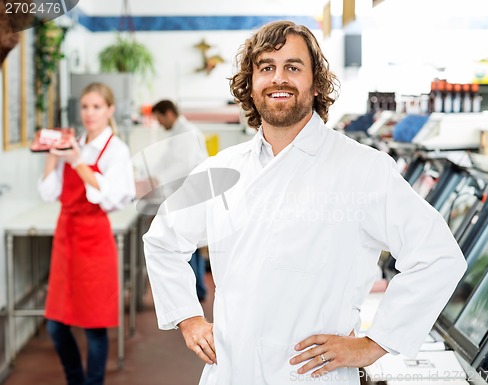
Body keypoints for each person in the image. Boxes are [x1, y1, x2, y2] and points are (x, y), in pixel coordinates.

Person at [143, 21, 467, 385]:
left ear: (315, 84)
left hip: (311, 376)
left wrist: (374, 344)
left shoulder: (363, 169)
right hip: (231, 371)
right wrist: (189, 319)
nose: (278, 78)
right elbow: (162, 240)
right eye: (266, 67)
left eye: (293, 67)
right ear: (251, 85)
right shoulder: (221, 170)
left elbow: (439, 255)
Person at [38, 82, 135, 385]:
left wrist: (78, 162)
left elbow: (111, 197)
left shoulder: (116, 150)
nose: (89, 113)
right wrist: (52, 156)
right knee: (55, 325)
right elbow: (48, 191)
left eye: (96, 107)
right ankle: (75, 380)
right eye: (84, 107)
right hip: (66, 237)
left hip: (94, 241)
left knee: (94, 326)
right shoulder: (74, 141)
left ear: (109, 110)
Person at [149, 99, 209, 301]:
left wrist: (156, 180)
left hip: (191, 198)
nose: (159, 124)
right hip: (185, 197)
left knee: (187, 247)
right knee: (191, 246)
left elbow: (183, 166)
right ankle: (198, 289)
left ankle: (195, 291)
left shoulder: (185, 133)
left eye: (159, 119)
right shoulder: (178, 132)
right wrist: (153, 176)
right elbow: (166, 160)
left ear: (168, 113)